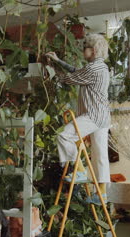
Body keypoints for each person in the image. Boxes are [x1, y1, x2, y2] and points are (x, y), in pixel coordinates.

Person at [45, 34, 111, 205]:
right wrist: (59, 60)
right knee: (100, 155)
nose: (83, 51)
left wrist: (50, 68)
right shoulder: (101, 67)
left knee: (64, 136)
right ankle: (102, 193)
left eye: (85, 48)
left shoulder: (92, 69)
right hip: (103, 116)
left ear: (93, 50)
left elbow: (68, 79)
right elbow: (77, 72)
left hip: (92, 115)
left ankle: (79, 171)